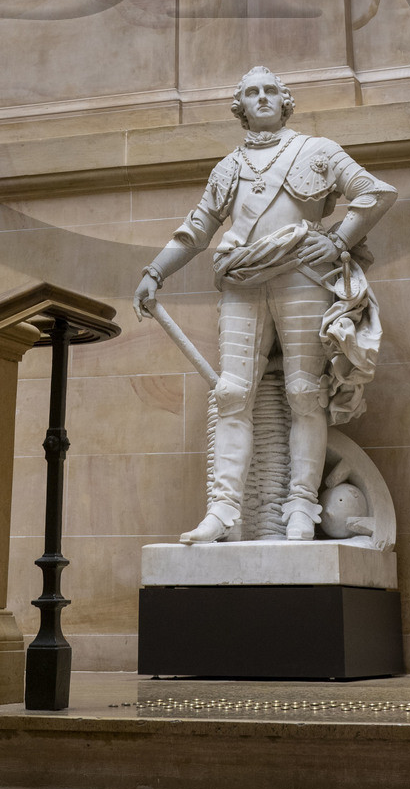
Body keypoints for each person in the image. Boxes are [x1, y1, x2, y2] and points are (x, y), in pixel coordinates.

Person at [134, 66, 395, 543]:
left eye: (270, 90)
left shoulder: (317, 150)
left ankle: (300, 504)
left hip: (303, 278)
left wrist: (337, 241)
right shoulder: (228, 167)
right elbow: (196, 228)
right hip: (242, 278)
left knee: (304, 393)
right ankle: (223, 509)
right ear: (240, 108)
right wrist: (155, 272)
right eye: (251, 93)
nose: (261, 98)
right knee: (232, 394)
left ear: (285, 100)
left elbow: (374, 194)